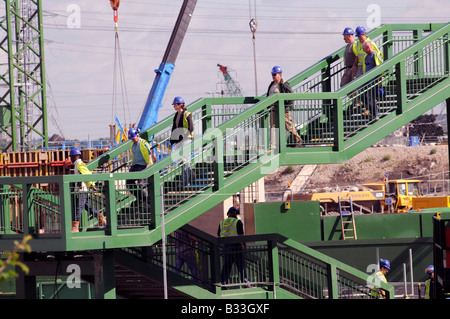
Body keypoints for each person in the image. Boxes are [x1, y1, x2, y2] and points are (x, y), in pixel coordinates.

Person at [69, 147, 106, 232]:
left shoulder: (79, 164)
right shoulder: (78, 164)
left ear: (75, 157)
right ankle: (101, 218)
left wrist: (92, 184)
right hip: (82, 190)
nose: (70, 159)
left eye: (71, 157)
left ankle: (75, 227)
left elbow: (87, 174)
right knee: (88, 207)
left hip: (81, 190)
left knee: (78, 208)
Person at [266, 66, 302, 147]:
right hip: (273, 109)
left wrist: (289, 106)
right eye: (272, 74)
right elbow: (267, 95)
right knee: (273, 127)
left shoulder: (284, 84)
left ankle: (298, 140)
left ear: (280, 75)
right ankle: (273, 145)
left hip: (283, 109)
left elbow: (291, 95)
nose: (273, 76)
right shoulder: (271, 84)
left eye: (275, 74)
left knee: (288, 126)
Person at [218, 206, 248, 286]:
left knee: (226, 266)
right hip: (236, 246)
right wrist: (244, 247)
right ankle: (244, 282)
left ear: (228, 214)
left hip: (226, 246)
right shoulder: (237, 222)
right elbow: (241, 236)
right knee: (241, 266)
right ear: (236, 214)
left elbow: (219, 235)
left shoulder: (222, 222)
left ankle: (223, 283)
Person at [126, 127, 153, 207]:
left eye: (133, 138)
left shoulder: (143, 143)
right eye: (131, 139)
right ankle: (140, 197)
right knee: (129, 183)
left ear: (137, 135)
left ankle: (146, 201)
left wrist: (148, 165)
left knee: (142, 184)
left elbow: (150, 154)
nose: (132, 140)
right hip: (135, 165)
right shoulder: (132, 144)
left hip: (143, 165)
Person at [170, 96, 194, 186]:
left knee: (185, 160)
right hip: (179, 140)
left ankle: (186, 182)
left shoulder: (186, 114)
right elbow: (174, 128)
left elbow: (191, 127)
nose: (174, 106)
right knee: (181, 161)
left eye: (175, 104)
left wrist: (185, 136)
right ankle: (185, 180)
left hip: (186, 140)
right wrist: (172, 139)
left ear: (180, 105)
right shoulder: (176, 115)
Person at [361, 41, 384, 118]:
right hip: (367, 81)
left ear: (368, 47)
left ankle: (375, 114)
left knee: (371, 97)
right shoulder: (366, 57)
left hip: (374, 81)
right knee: (361, 94)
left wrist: (379, 81)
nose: (363, 50)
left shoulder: (376, 55)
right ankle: (372, 111)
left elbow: (380, 69)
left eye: (364, 49)